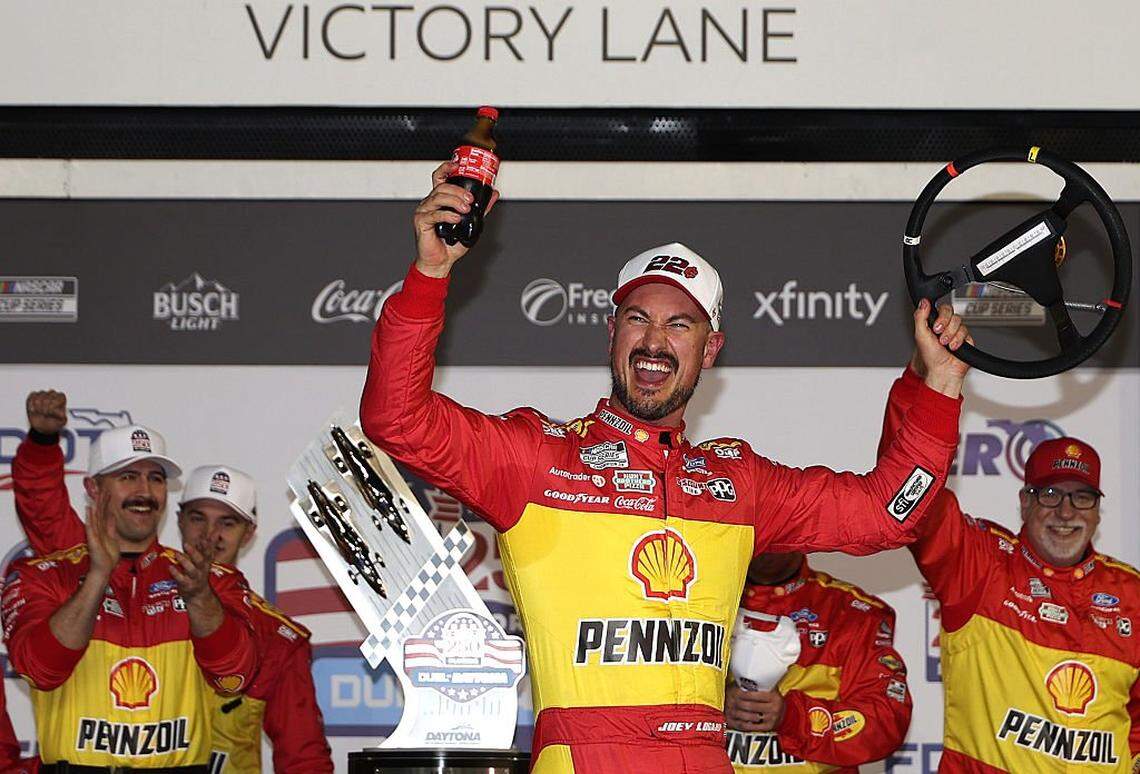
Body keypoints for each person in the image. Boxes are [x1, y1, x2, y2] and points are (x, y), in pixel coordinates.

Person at [358, 161, 969, 772]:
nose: (654, 342)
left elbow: (887, 514)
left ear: (710, 351)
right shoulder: (535, 458)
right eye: (638, 319)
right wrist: (431, 273)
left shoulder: (739, 483)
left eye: (679, 325)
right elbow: (396, 419)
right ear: (611, 334)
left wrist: (939, 386)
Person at [11, 391, 333, 773]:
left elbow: (238, 678)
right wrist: (43, 445)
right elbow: (44, 512)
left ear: (250, 533)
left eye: (227, 522)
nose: (210, 536)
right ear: (180, 520)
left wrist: (198, 597)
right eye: (199, 517)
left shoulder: (232, 599)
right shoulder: (58, 572)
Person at [879, 348, 1140, 771]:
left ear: (1096, 509)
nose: (1067, 512)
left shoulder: (1132, 593)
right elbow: (907, 490)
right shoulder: (979, 562)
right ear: (1024, 501)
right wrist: (922, 377)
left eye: (1082, 496)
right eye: (1051, 494)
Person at [1, 421, 260, 771]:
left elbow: (235, 676)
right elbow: (40, 670)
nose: (145, 491)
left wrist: (199, 597)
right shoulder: (40, 576)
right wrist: (97, 576)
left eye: (155, 478)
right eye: (127, 477)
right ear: (93, 488)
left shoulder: (211, 580)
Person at [723, 552, 912, 772]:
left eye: (780, 525)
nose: (769, 540)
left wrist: (793, 717)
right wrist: (710, 705)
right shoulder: (696, 602)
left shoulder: (852, 613)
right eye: (760, 523)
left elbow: (885, 723)